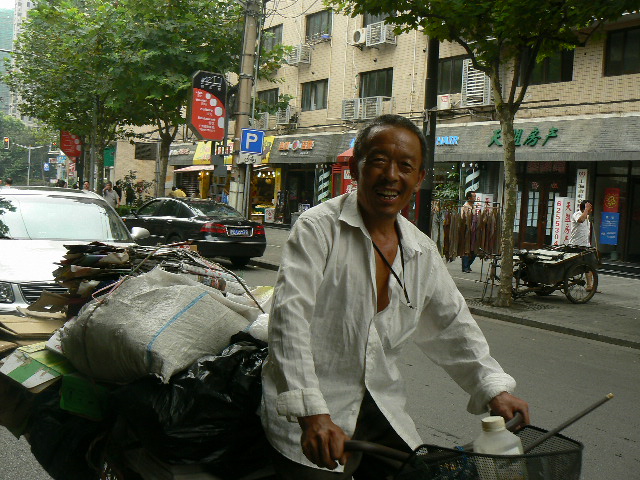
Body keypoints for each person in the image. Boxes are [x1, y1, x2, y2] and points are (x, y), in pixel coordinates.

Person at [261, 114, 529, 479]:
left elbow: (453, 326)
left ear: (419, 179)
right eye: (378, 161)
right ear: (355, 168)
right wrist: (312, 413)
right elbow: (289, 322)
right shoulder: (317, 229)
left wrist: (494, 389)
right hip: (312, 414)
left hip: (381, 408)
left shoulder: (421, 251)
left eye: (405, 166)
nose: (391, 176)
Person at [570, 199, 595, 291]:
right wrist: (586, 209)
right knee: (574, 265)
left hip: (585, 245)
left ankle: (590, 285)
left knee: (589, 265)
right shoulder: (577, 214)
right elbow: (580, 220)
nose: (591, 209)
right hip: (576, 245)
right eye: (590, 207)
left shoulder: (587, 217)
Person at [461, 190, 477, 273]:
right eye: (473, 196)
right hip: (466, 230)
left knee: (473, 250)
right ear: (469, 198)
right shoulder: (465, 207)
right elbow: (462, 219)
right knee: (466, 248)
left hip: (473, 231)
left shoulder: (474, 207)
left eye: (475, 196)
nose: (475, 198)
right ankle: (465, 267)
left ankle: (468, 265)